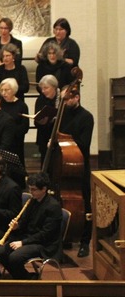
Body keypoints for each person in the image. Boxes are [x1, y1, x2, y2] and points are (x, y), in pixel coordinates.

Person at [0, 172, 62, 279]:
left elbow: (46, 234)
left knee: (14, 257)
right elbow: (25, 222)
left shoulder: (53, 207)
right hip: (29, 238)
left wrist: (22, 242)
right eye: (29, 189)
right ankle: (24, 277)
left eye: (34, 189)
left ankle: (26, 279)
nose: (31, 192)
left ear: (44, 189)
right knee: (0, 253)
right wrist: (17, 226)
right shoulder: (32, 201)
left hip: (44, 244)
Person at [57, 87, 94, 257]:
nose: (65, 102)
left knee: (85, 204)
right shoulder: (62, 115)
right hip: (63, 165)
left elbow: (84, 144)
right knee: (60, 201)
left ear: (77, 97)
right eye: (63, 99)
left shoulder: (86, 117)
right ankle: (65, 237)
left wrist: (64, 139)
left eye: (67, 99)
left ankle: (85, 241)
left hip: (80, 166)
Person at [34, 75, 61, 166]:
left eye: (46, 88)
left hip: (58, 137)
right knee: (45, 164)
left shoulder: (61, 98)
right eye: (42, 88)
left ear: (54, 87)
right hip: (44, 137)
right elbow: (36, 121)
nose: (43, 91)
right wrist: (41, 121)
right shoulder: (40, 99)